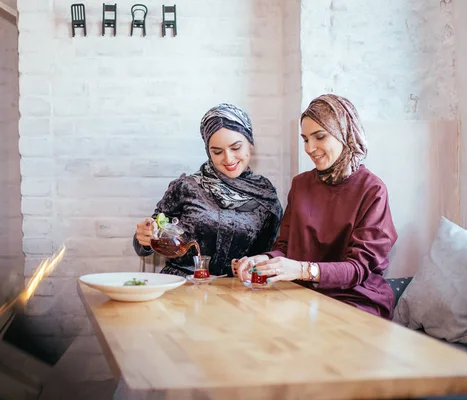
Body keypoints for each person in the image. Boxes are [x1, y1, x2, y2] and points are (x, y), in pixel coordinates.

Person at [235, 94, 398, 319]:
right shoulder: (301, 184)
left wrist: (301, 270)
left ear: (345, 133)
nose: (310, 148)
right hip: (303, 294)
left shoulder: (372, 190)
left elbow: (358, 269)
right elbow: (285, 246)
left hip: (356, 300)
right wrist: (265, 260)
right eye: (305, 139)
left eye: (319, 137)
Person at [133, 103, 284, 277]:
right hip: (181, 288)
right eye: (217, 152)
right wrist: (144, 239)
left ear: (250, 143)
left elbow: (267, 256)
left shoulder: (266, 197)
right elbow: (145, 245)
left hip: (234, 292)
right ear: (208, 151)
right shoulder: (186, 187)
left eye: (236, 148)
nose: (228, 158)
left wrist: (247, 266)